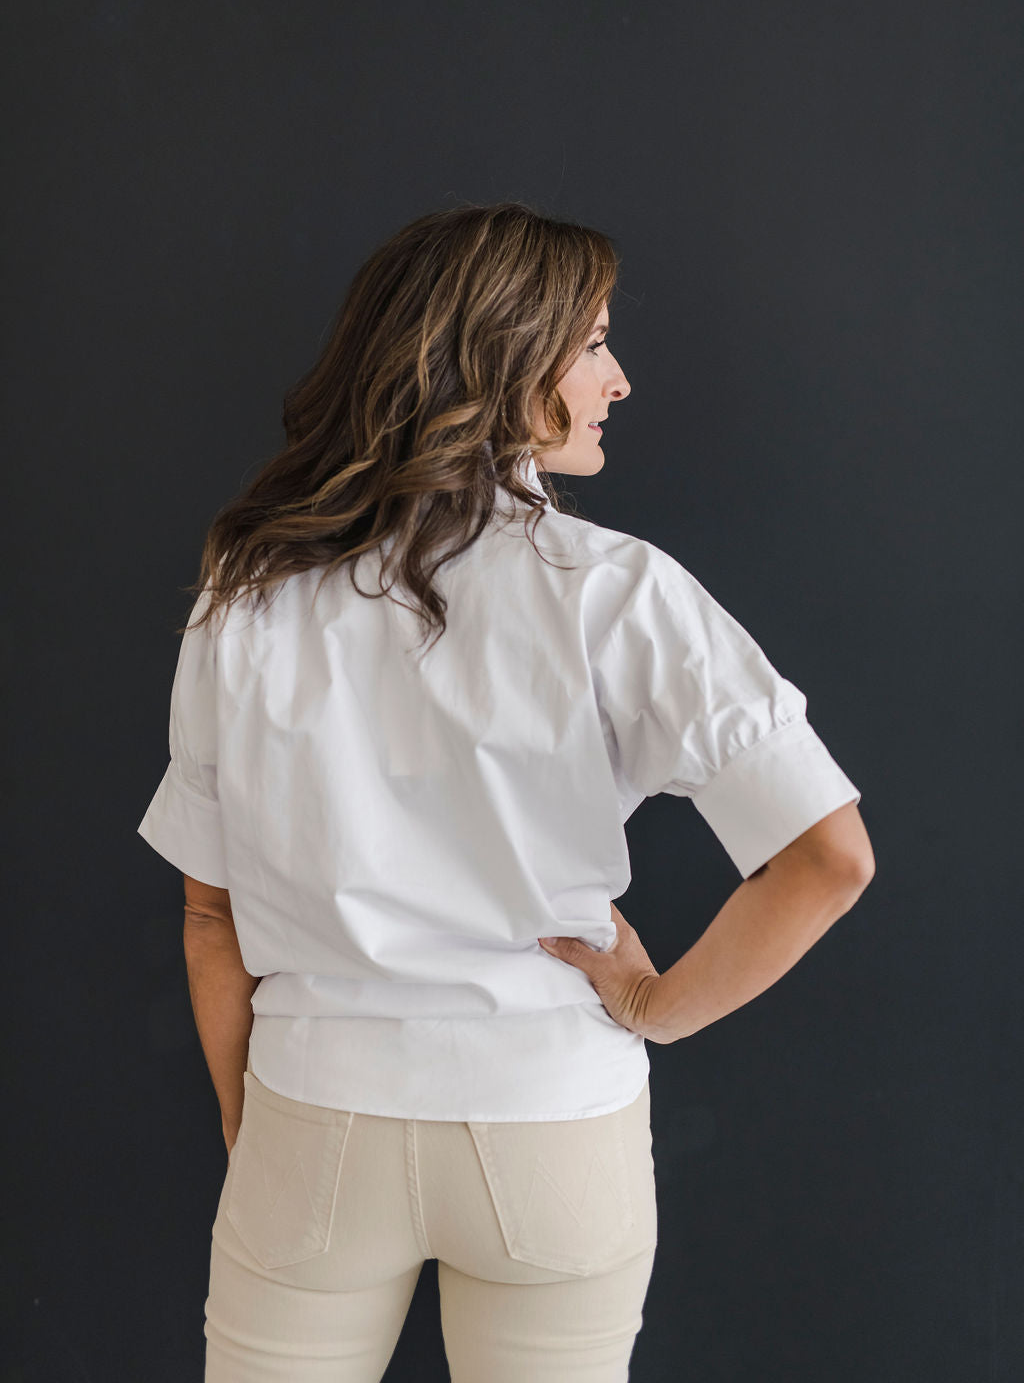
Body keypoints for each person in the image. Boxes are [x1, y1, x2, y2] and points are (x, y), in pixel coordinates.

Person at [137, 200, 875, 1383]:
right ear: (502, 360)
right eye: (589, 345)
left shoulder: (249, 585)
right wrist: (657, 1008)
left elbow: (207, 915)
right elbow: (828, 857)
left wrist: (251, 1125)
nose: (617, 379)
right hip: (551, 1124)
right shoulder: (616, 592)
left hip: (315, 1118)